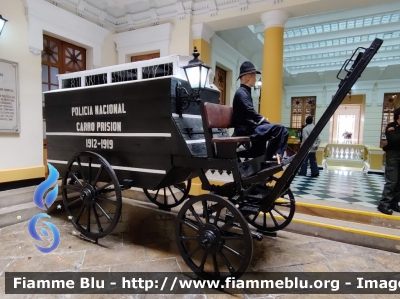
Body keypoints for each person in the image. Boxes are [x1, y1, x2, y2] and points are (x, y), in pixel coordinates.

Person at [232, 61, 288, 161]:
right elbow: (250, 111)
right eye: (254, 76)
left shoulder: (244, 92)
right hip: (245, 130)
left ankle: (265, 157)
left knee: (278, 130)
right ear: (248, 76)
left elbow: (249, 113)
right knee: (280, 129)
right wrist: (264, 121)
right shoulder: (241, 93)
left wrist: (263, 123)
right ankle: (273, 156)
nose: (255, 79)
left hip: (249, 128)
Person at [377, 107, 400, 215]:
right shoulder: (391, 126)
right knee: (392, 180)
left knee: (399, 182)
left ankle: (394, 203)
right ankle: (384, 203)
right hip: (393, 156)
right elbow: (395, 140)